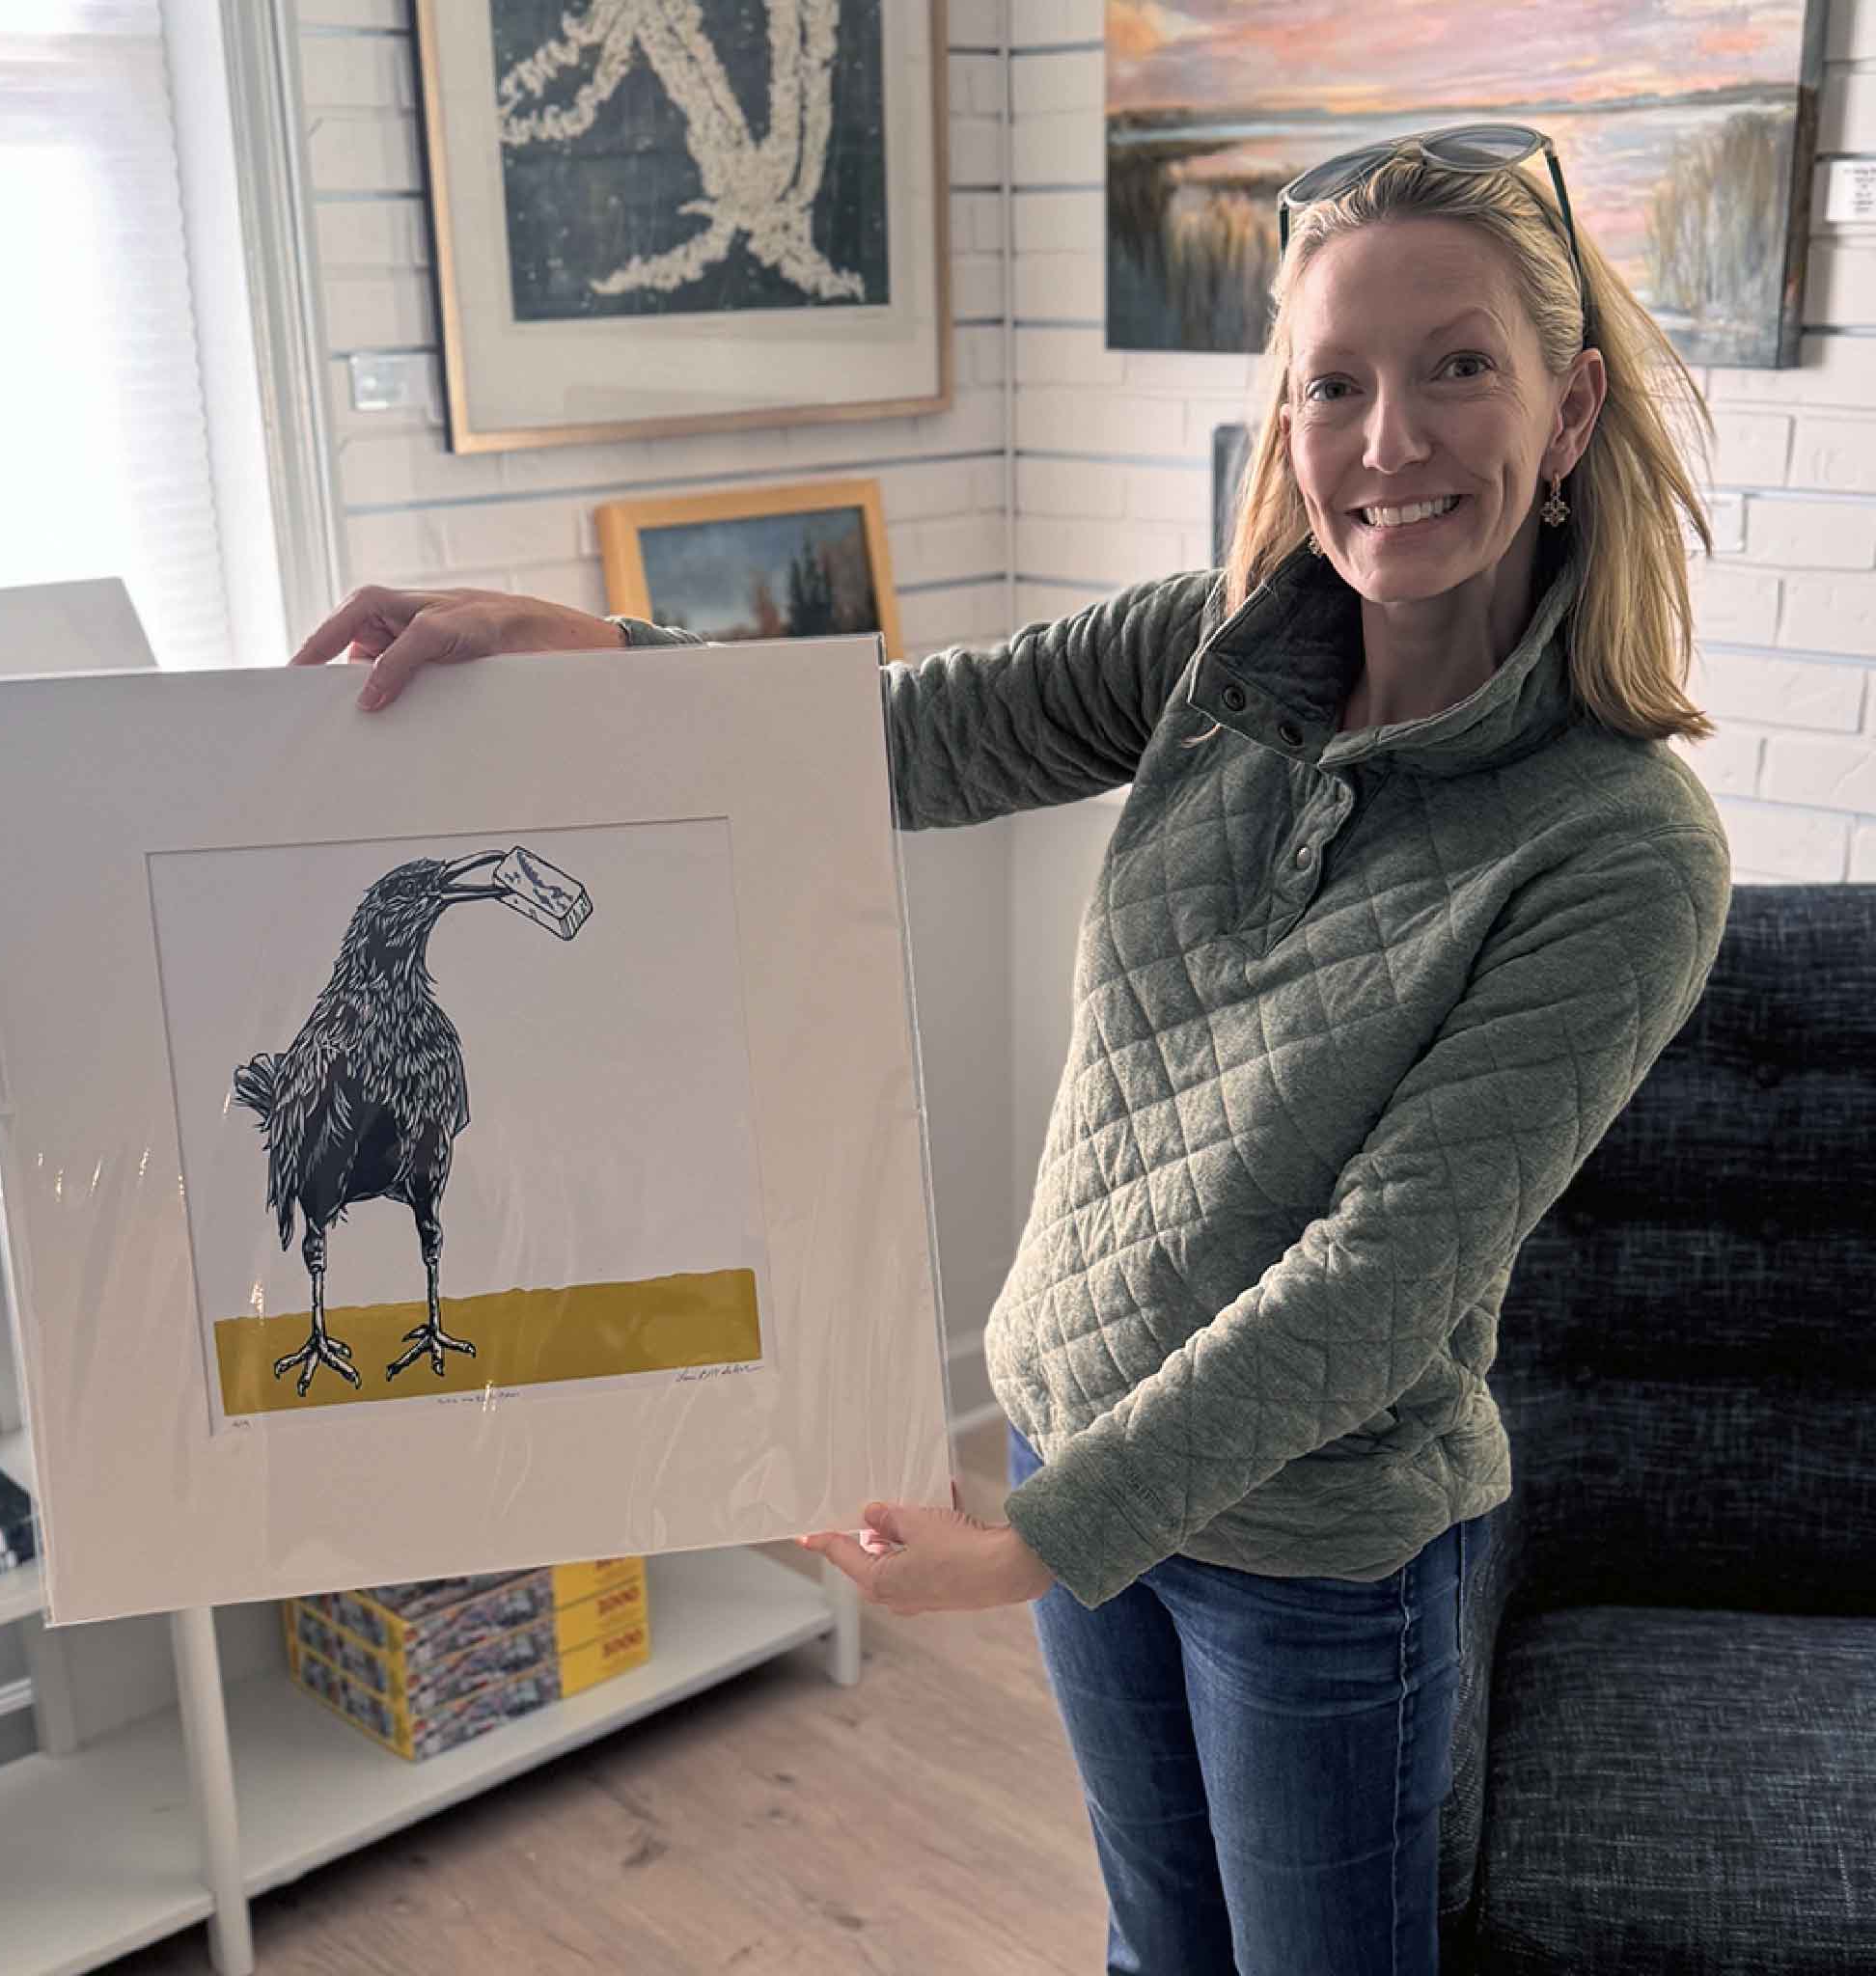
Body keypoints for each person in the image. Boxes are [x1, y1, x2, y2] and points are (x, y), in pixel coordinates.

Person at [290, 126, 1732, 1975]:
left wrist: (1044, 1535)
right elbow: (896, 744)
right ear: (1288, 421)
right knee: (1154, 1951)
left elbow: (1385, 1275)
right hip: (1072, 1410)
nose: (1391, 442)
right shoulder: (1204, 658)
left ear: (1571, 410)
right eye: (1334, 384)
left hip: (1313, 1548)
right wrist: (568, 647)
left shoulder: (1622, 845)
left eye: (1459, 367)